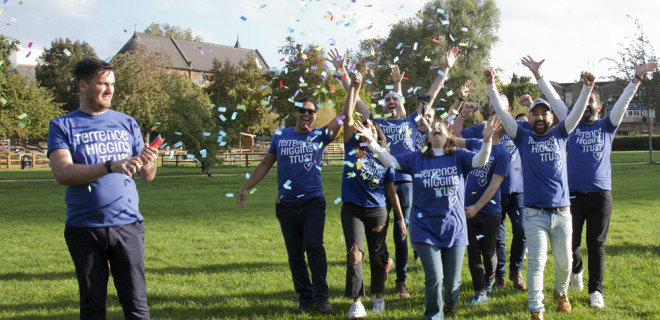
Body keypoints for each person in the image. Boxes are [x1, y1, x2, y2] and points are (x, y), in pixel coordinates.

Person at [522, 56, 657, 309]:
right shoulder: (568, 125)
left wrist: (636, 78)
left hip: (600, 195)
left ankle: (596, 291)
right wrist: (539, 76)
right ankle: (577, 270)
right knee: (571, 243)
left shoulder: (608, 125)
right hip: (570, 196)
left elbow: (625, 101)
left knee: (596, 243)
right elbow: (554, 100)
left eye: (591, 103)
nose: (586, 107)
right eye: (584, 103)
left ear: (600, 106)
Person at [329, 47, 460, 299]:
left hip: (406, 182)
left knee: (401, 233)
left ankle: (401, 281)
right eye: (387, 98)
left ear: (400, 100)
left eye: (394, 98)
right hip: (379, 184)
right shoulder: (378, 123)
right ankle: (384, 262)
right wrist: (342, 72)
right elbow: (354, 101)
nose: (390, 101)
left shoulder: (412, 120)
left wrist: (446, 68)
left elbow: (431, 95)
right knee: (378, 232)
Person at [355, 116, 497, 320]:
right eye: (432, 128)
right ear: (428, 137)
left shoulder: (459, 156)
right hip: (425, 228)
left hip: (454, 229)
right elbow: (391, 161)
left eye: (440, 127)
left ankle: (450, 306)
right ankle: (433, 315)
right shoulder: (416, 158)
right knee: (434, 277)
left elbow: (481, 160)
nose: (435, 128)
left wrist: (487, 140)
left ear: (449, 135)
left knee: (453, 283)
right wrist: (372, 142)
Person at [47, 57, 157, 320]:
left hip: (127, 225)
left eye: (112, 84)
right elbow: (62, 173)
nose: (110, 90)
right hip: (84, 228)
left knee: (136, 304)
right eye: (103, 84)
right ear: (83, 85)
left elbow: (147, 176)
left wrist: (149, 163)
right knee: (92, 306)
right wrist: (110, 165)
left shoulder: (127, 122)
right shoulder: (62, 125)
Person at [486, 66, 594, 320]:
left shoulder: (561, 133)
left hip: (562, 212)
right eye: (534, 114)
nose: (539, 118)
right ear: (530, 119)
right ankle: (536, 308)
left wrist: (586, 89)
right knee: (536, 262)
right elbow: (502, 112)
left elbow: (576, 112)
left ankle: (561, 292)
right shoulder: (522, 137)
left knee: (565, 262)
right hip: (534, 212)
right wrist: (492, 87)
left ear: (551, 118)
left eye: (544, 114)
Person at [237, 96, 342, 314]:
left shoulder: (319, 136)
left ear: (315, 116)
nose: (306, 114)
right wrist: (246, 187)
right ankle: (305, 299)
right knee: (295, 254)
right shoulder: (280, 135)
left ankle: (322, 298)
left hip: (313, 200)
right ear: (294, 112)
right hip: (286, 204)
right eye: (301, 110)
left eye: (311, 111)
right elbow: (266, 163)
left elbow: (344, 118)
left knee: (314, 246)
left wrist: (352, 88)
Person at [341, 72, 407, 319]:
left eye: (369, 126)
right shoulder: (351, 148)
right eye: (362, 126)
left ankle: (379, 296)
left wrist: (400, 219)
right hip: (352, 209)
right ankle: (357, 301)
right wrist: (354, 88)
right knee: (354, 252)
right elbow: (348, 116)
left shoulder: (384, 157)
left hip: (378, 210)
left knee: (379, 255)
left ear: (377, 134)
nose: (364, 126)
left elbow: (391, 191)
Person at [450, 90, 530, 291]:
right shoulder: (483, 129)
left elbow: (544, 124)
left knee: (521, 230)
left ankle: (516, 270)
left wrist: (531, 105)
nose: (494, 111)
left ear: (508, 109)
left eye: (498, 107)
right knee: (497, 238)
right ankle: (500, 275)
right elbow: (456, 135)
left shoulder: (519, 126)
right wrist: (462, 114)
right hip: (493, 194)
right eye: (491, 107)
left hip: (518, 190)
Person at [458, 122, 510, 305]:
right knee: (473, 252)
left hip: (488, 212)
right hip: (467, 211)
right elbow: (452, 139)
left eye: (492, 119)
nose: (486, 121)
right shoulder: (475, 143)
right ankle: (479, 292)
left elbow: (494, 185)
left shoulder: (503, 154)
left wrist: (476, 208)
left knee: (488, 252)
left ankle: (489, 279)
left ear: (497, 128)